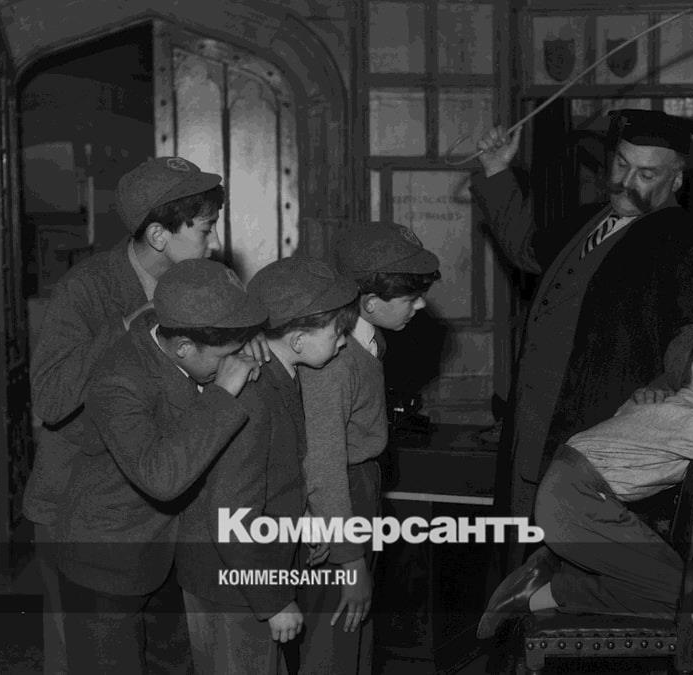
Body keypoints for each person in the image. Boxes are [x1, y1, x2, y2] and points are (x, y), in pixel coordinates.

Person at [470, 110, 693, 560]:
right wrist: (497, 170)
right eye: (621, 164)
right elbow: (527, 249)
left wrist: (664, 384)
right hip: (534, 431)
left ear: (676, 180)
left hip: (597, 439)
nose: (625, 182)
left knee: (573, 571)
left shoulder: (687, 243)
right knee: (523, 562)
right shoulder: (591, 219)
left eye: (646, 174)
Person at [25, 156, 225, 674]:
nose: (214, 243)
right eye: (205, 230)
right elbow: (50, 399)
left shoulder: (200, 285)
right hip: (79, 512)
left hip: (158, 508)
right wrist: (127, 327)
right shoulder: (87, 288)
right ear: (159, 235)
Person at [477, 324, 693, 649]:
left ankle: (554, 568)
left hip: (573, 495)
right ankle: (539, 593)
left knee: (679, 589)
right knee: (680, 597)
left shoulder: (667, 408)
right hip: (577, 500)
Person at [56, 259, 267, 673]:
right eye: (227, 357)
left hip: (163, 555)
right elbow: (162, 478)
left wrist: (246, 336)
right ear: (183, 346)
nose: (236, 362)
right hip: (105, 561)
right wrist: (223, 391)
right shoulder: (117, 380)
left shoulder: (182, 335)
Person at [174, 256, 358, 674]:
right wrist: (272, 601)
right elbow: (230, 514)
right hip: (233, 585)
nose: (344, 342)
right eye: (338, 332)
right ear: (298, 339)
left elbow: (273, 475)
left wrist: (300, 520)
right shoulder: (255, 396)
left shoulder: (280, 377)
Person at [294, 222, 441, 674]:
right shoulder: (334, 360)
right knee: (333, 640)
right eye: (411, 297)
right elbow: (323, 464)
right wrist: (349, 559)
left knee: (354, 637)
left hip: (358, 490)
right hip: (338, 499)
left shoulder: (367, 339)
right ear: (371, 302)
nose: (421, 305)